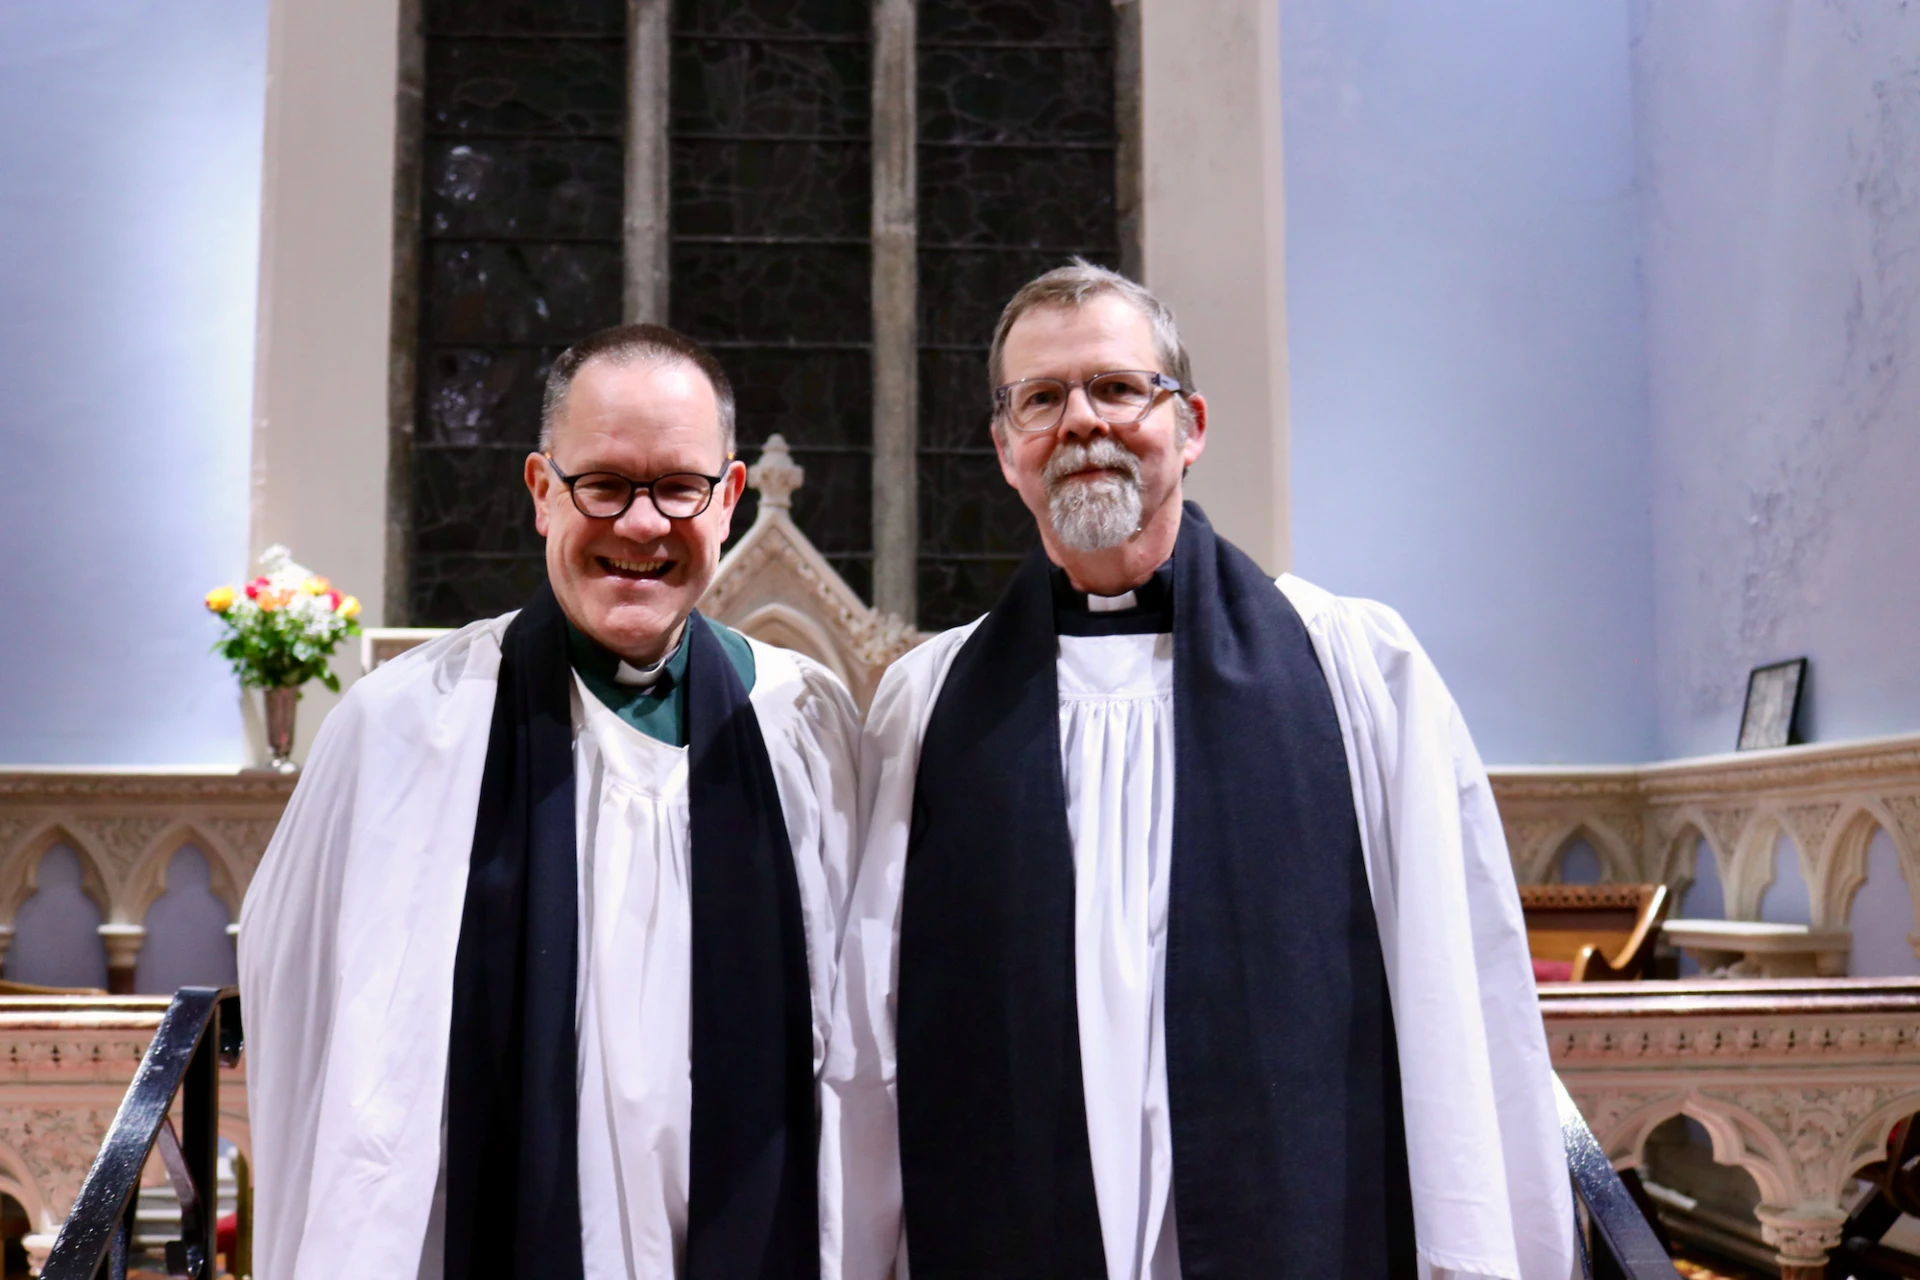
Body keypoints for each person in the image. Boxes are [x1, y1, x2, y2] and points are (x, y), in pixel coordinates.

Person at [822, 263, 1573, 1280]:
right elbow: (871, 1036)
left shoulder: (1354, 666)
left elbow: (1453, 981)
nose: (1082, 420)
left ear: (1190, 426)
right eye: (1041, 398)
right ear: (1007, 451)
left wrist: (1475, 1253)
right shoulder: (930, 702)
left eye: (1119, 388)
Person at [240, 324, 861, 1280]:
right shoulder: (409, 728)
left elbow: (854, 1044)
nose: (643, 525)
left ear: (728, 499)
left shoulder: (803, 723)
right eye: (604, 484)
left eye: (679, 487)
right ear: (541, 491)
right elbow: (319, 1046)